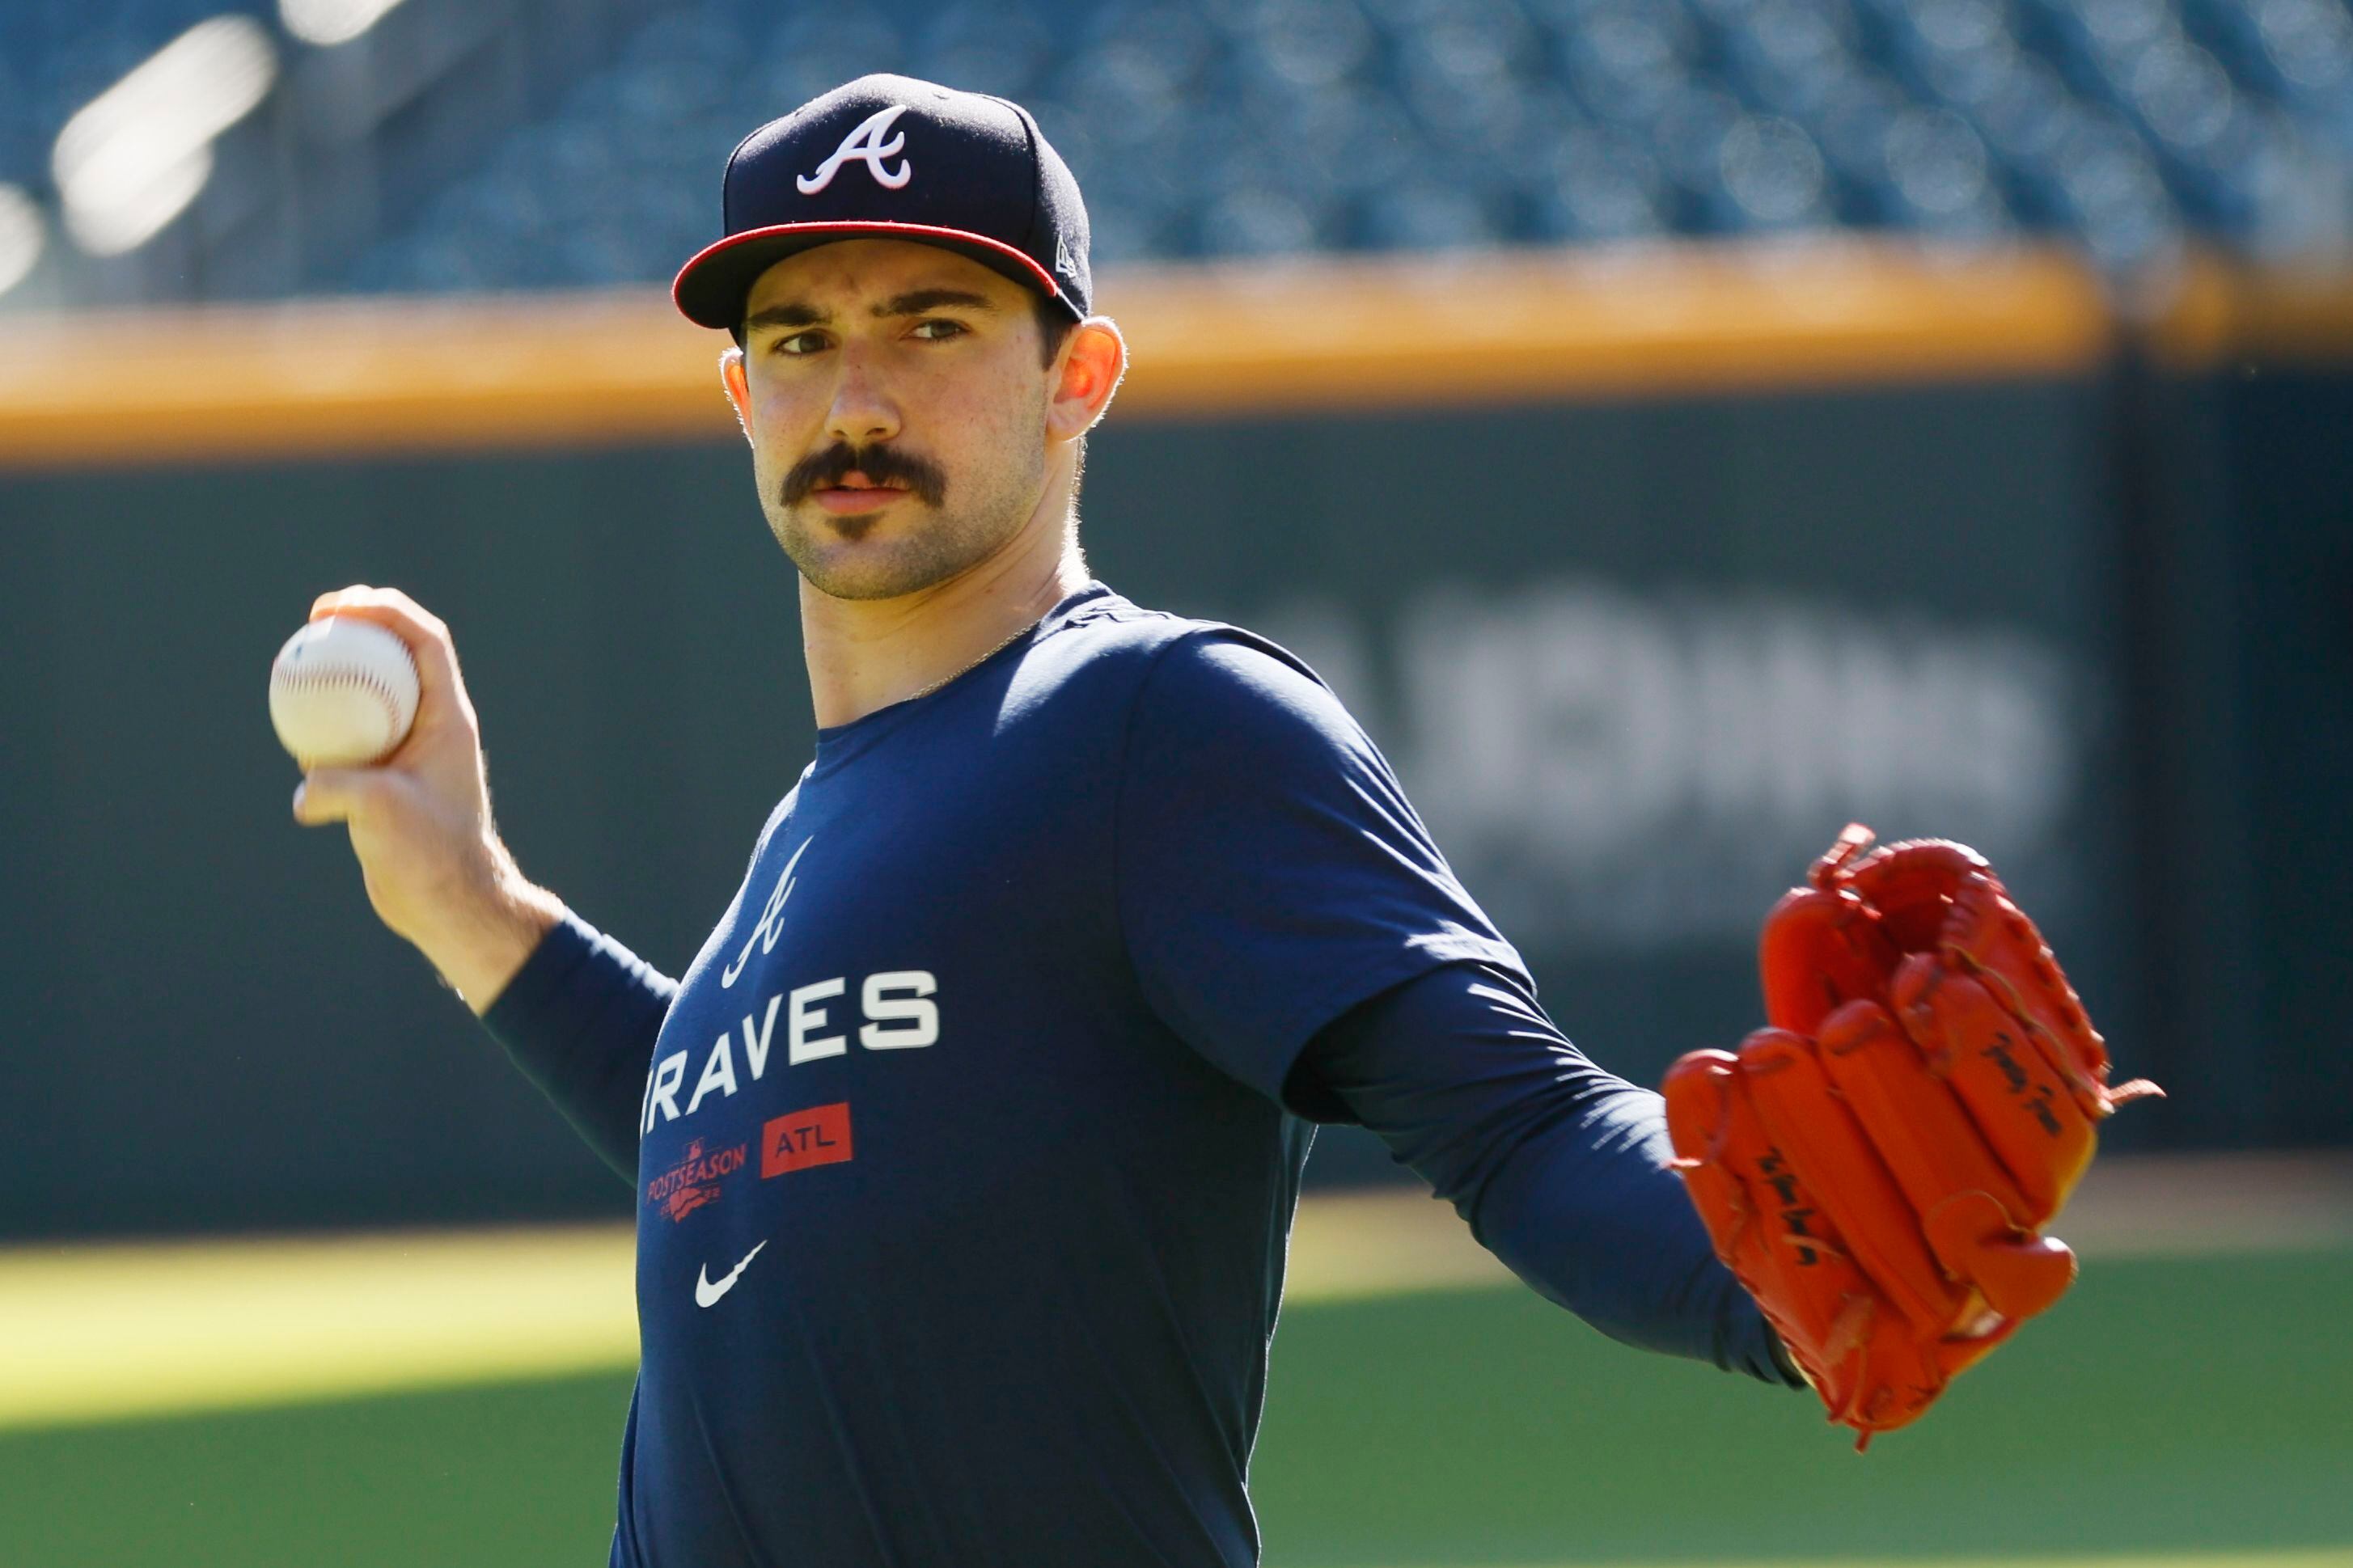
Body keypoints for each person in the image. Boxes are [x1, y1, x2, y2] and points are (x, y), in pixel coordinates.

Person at [294, 74, 1801, 1568]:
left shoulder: (1158, 720)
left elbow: (1519, 1121)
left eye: (930, 327)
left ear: (1079, 377)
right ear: (742, 396)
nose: (855, 401)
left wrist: (1784, 1264)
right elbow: (745, 1148)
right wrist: (466, 901)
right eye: (800, 339)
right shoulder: (819, 828)